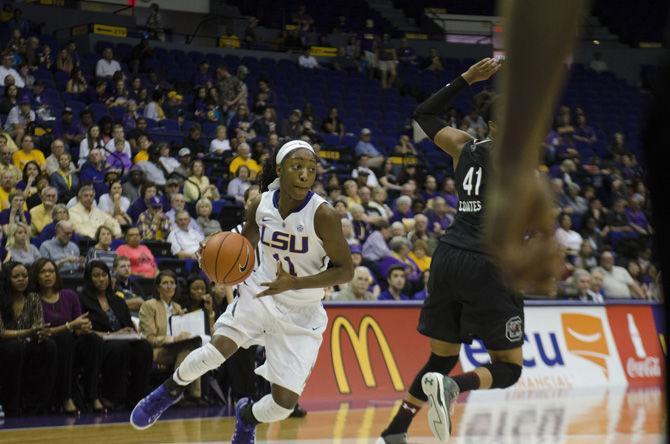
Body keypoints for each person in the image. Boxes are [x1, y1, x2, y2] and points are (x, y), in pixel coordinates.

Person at [130, 139, 354, 440]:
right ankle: (168, 390)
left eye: (311, 169)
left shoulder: (323, 215)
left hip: (302, 311)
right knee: (217, 350)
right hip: (260, 293)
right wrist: (210, 253)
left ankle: (247, 416)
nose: (304, 174)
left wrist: (295, 282)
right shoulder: (260, 204)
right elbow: (243, 244)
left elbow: (346, 270)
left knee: (284, 405)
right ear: (280, 169)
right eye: (297, 167)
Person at [378, 58, 528, 443]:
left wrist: (467, 79)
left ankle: (394, 431)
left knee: (442, 357)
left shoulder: (462, 145)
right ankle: (453, 388)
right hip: (487, 263)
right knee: (508, 368)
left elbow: (422, 112)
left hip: (448, 257)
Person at [31, 258, 104, 413]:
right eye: (43, 272)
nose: (47, 275)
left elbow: (79, 323)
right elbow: (41, 332)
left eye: (51, 271)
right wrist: (70, 326)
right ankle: (66, 397)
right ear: (36, 276)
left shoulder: (70, 295)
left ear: (56, 274)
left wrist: (83, 327)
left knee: (92, 339)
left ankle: (93, 396)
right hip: (46, 346)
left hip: (71, 343)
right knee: (64, 338)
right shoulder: (33, 299)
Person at [79, 261, 153, 411]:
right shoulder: (82, 300)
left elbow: (128, 327)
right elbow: (83, 330)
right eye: (96, 276)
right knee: (120, 347)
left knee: (144, 347)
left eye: (104, 275)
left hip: (121, 341)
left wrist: (132, 333)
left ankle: (137, 397)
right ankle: (111, 396)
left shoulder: (118, 300)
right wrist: (112, 334)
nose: (101, 279)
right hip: (95, 342)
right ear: (89, 278)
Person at [0, 262, 57, 415]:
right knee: (14, 348)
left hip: (26, 343)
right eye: (16, 276)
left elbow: (38, 324)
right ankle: (11, 405)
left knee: (48, 345)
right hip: (5, 345)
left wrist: (41, 332)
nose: (21, 279)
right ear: (7, 279)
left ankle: (38, 404)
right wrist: (28, 332)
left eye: (24, 276)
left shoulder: (33, 298)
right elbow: (2, 333)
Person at [139, 271, 203, 403]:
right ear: (158, 287)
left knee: (192, 348)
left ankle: (182, 393)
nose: (169, 286)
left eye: (172, 283)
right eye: (165, 283)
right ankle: (189, 394)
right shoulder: (149, 305)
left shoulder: (177, 307)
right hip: (157, 350)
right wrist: (173, 339)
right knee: (187, 349)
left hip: (177, 349)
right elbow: (149, 338)